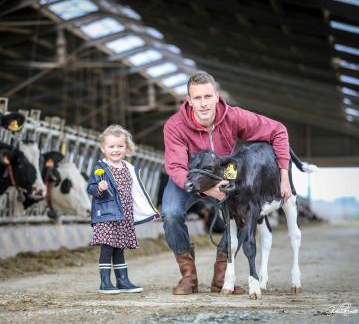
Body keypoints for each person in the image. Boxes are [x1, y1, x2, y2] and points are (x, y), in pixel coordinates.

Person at [162, 71, 292, 295]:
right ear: (188, 100)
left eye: (207, 96)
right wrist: (206, 191)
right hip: (189, 180)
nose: (203, 103)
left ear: (217, 96)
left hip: (224, 180)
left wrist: (284, 175)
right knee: (171, 213)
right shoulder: (174, 126)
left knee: (244, 212)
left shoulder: (234, 116)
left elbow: (278, 131)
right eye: (197, 98)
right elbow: (175, 167)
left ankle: (222, 276)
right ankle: (188, 276)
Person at [87, 124, 160, 294]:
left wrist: (149, 211)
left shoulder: (129, 168)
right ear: (103, 148)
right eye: (111, 146)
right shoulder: (101, 168)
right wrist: (99, 188)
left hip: (124, 217)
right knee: (107, 247)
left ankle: (123, 281)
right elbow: (90, 188)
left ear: (127, 147)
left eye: (120, 146)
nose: (116, 150)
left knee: (119, 247)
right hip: (106, 216)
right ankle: (105, 282)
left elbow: (138, 193)